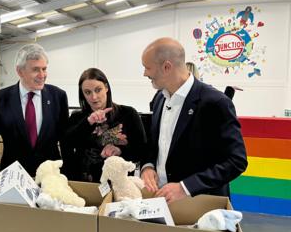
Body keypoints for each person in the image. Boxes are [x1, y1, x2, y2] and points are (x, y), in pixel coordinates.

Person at [141, 37, 247, 203]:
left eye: (147, 68)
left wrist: (186, 187)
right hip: (161, 201)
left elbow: (236, 161)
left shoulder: (215, 103)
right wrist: (148, 166)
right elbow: (155, 144)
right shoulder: (160, 99)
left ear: (166, 67)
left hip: (201, 205)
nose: (145, 73)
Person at [0, 43, 69, 176]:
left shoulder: (58, 96)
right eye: (36, 69)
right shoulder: (0, 99)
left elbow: (66, 139)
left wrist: (70, 174)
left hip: (50, 176)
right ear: (20, 71)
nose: (42, 75)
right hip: (13, 176)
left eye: (44, 69)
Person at [62, 68, 147, 182]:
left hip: (119, 185)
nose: (94, 97)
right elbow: (66, 145)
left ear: (106, 87)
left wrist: (120, 150)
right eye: (87, 92)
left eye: (98, 90)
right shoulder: (77, 117)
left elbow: (142, 150)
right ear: (82, 94)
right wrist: (88, 122)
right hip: (85, 185)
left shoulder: (128, 113)